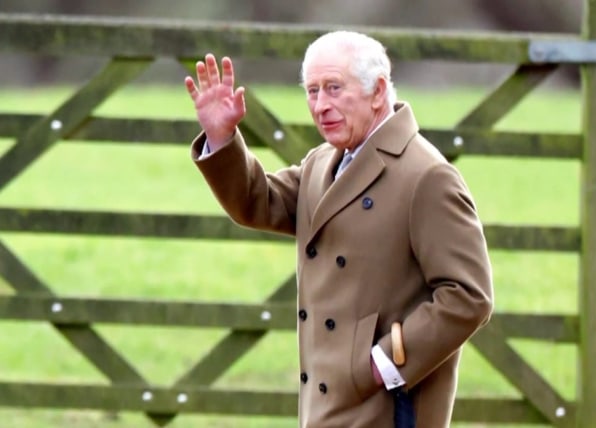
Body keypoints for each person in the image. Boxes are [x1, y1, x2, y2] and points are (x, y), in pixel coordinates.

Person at [185, 30, 493, 428]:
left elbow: (469, 296)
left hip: (386, 408)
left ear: (377, 91)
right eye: (312, 91)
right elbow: (258, 202)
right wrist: (222, 137)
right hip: (326, 407)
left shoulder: (427, 176)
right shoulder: (322, 162)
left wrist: (384, 363)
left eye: (334, 88)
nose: (320, 105)